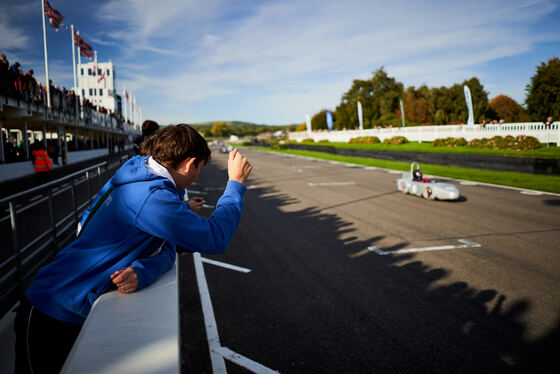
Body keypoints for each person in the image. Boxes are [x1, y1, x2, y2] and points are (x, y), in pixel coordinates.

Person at [14, 124, 252, 373]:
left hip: (63, 306)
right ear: (188, 163)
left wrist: (144, 268)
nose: (197, 176)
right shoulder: (151, 197)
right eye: (199, 168)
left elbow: (166, 245)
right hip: (52, 313)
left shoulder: (137, 174)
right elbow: (215, 238)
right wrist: (235, 184)